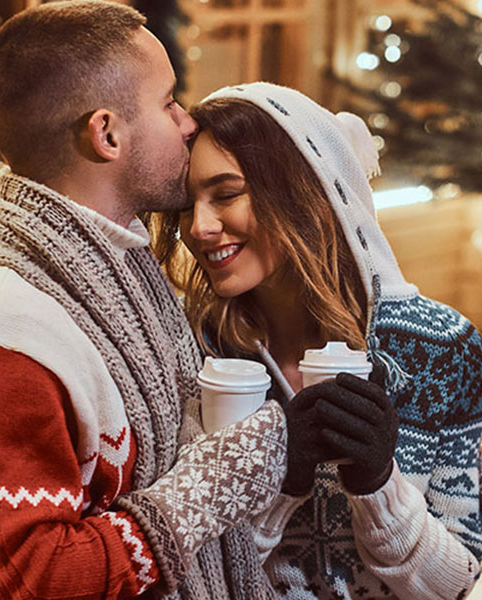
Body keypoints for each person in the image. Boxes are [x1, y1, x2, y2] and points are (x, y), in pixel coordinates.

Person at [0, 4, 288, 599]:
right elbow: (9, 585)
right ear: (106, 133)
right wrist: (209, 488)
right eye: (167, 102)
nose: (187, 123)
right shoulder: (3, 344)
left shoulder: (127, 285)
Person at [154, 81, 482, 599]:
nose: (198, 227)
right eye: (187, 204)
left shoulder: (439, 348)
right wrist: (281, 480)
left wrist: (378, 486)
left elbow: (463, 584)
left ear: (302, 190)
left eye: (227, 194)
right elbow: (187, 582)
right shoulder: (195, 351)